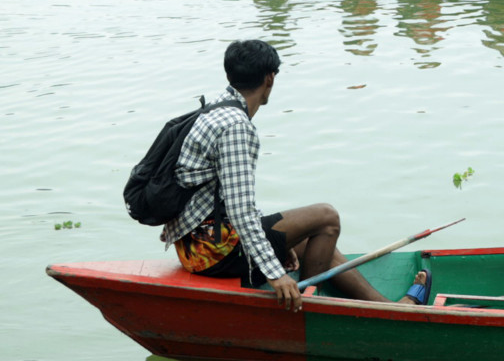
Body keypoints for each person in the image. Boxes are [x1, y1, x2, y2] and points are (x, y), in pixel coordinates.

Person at [160, 40, 431, 311]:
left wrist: (281, 242)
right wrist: (274, 272)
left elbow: (230, 196)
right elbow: (240, 211)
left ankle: (392, 308)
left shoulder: (217, 108)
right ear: (270, 78)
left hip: (195, 245)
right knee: (327, 217)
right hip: (212, 252)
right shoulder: (236, 127)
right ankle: (310, 305)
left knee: (310, 239)